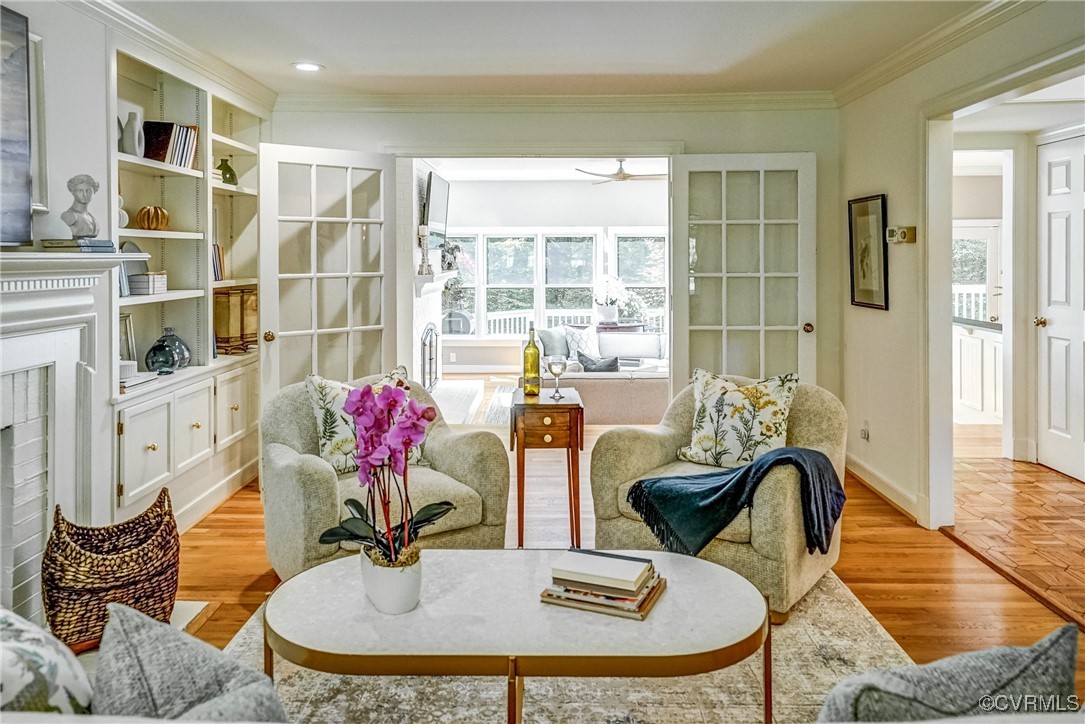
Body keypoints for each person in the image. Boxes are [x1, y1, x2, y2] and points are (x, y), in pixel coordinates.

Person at [61, 174, 100, 239]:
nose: (85, 195)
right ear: (73, 192)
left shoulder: (91, 217)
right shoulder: (69, 216)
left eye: (88, 191)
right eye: (80, 191)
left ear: (94, 192)